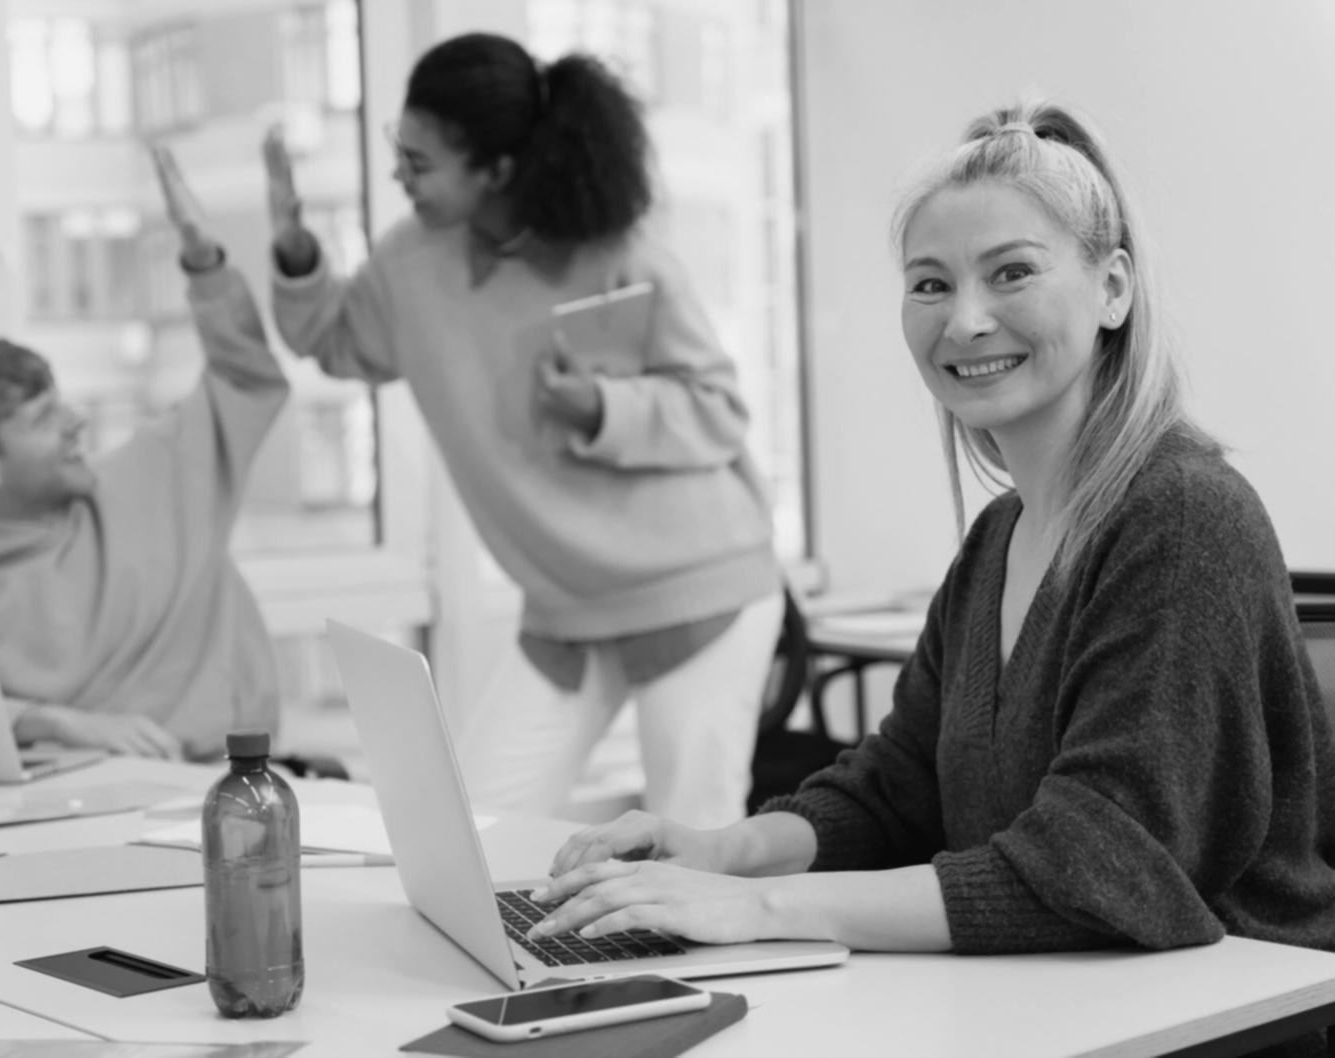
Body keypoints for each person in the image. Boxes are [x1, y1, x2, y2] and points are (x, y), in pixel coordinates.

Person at [526, 99, 1335, 1030]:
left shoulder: (1183, 518)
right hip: (1050, 1008)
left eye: (1012, 273)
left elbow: (1101, 865)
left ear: (1114, 288)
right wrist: (716, 852)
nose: (966, 320)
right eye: (930, 284)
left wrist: (760, 910)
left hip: (1220, 1022)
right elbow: (895, 789)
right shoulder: (1000, 537)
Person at [260, 32, 784, 829]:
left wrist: (602, 409)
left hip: (698, 591)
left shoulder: (621, 252)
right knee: (461, 830)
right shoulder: (410, 262)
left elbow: (717, 409)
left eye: (420, 162)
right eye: (395, 151)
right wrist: (297, 250)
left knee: (693, 845)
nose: (399, 177)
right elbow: (336, 342)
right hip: (567, 611)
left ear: (498, 169)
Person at [0, 147, 290, 763]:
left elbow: (247, 380)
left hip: (214, 794)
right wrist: (50, 722)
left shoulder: (154, 477)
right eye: (43, 418)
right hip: (43, 820)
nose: (76, 422)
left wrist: (205, 266)